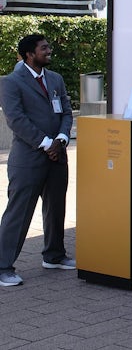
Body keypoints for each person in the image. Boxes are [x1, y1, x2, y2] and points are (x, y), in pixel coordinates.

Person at [0, 34, 74, 286]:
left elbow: (66, 110)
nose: (49, 50)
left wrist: (62, 139)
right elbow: (16, 120)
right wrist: (46, 144)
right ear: (29, 54)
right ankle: (3, 267)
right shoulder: (11, 82)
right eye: (44, 48)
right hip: (29, 158)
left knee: (56, 208)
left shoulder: (56, 79)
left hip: (57, 155)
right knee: (18, 213)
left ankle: (54, 255)